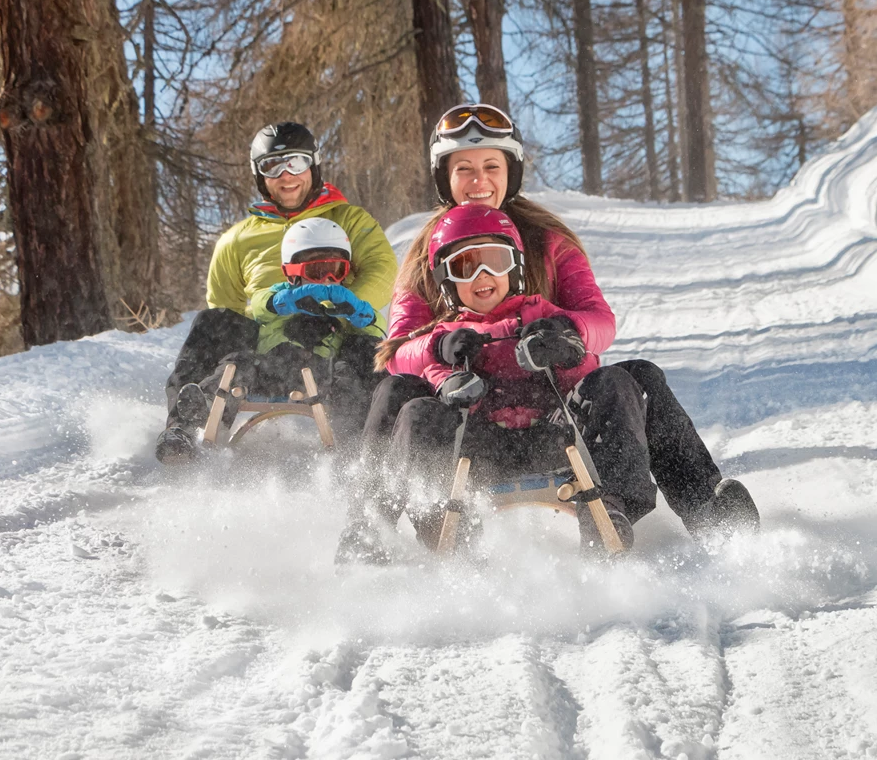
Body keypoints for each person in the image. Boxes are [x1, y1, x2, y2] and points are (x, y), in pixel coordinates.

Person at [336, 104, 756, 562]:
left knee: (638, 378)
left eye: (491, 167)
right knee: (397, 390)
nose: (479, 182)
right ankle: (370, 528)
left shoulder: (548, 242)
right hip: (467, 415)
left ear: (510, 173)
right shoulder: (425, 259)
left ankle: (702, 512)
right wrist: (439, 346)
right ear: (445, 178)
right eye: (464, 170)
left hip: (551, 406)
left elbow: (600, 321)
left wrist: (566, 332)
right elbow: (395, 350)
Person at [346, 204, 650, 559]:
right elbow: (431, 374)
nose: (482, 274)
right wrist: (453, 383)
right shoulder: (447, 335)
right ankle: (426, 523)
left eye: (496, 260)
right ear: (447, 281)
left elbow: (586, 371)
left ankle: (609, 509)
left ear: (516, 267)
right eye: (465, 267)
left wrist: (563, 351)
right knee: (417, 412)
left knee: (615, 382)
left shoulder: (544, 315)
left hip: (552, 437)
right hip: (480, 445)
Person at [155, 122, 396, 463]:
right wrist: (272, 320)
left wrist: (332, 312)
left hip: (340, 333)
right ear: (259, 175)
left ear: (314, 165)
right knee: (212, 321)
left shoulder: (349, 220)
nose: (286, 175)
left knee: (369, 352)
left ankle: (370, 452)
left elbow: (382, 270)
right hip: (269, 343)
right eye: (273, 166)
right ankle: (185, 425)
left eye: (296, 163)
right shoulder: (237, 239)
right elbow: (227, 306)